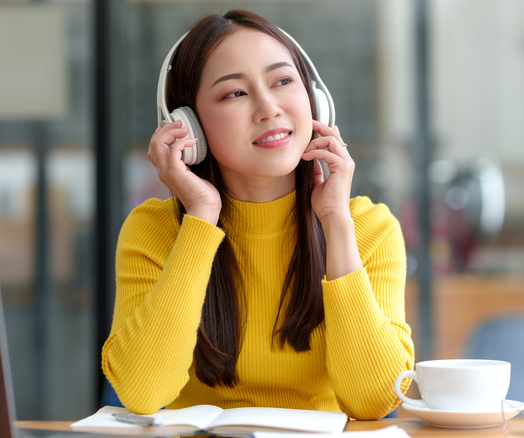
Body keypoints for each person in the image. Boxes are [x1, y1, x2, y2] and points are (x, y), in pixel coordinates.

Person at [102, 9, 414, 420]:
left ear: (315, 101)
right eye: (235, 93)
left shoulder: (369, 228)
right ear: (188, 127)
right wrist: (201, 216)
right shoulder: (155, 230)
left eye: (283, 81)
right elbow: (142, 391)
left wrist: (336, 220)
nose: (268, 108)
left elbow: (374, 399)